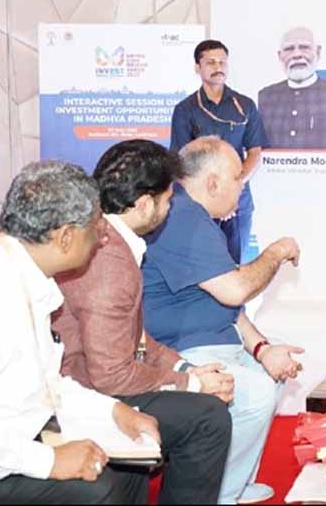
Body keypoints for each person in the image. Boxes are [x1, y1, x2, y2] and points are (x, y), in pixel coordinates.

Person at [0, 161, 161, 504]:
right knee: (99, 491)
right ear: (66, 237)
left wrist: (114, 411)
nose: (103, 236)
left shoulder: (19, 268)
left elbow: (46, 385)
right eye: (96, 226)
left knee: (129, 468)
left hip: (21, 430)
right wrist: (50, 462)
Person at [53, 140, 233, 504]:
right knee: (208, 419)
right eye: (168, 200)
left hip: (90, 379)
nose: (169, 209)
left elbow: (134, 338)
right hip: (79, 391)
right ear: (146, 204)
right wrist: (191, 385)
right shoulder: (109, 260)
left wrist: (184, 368)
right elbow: (110, 376)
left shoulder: (111, 242)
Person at [141, 136, 305, 505]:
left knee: (273, 373)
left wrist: (262, 349)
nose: (241, 189)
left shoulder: (195, 217)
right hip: (180, 350)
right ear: (212, 183)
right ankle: (217, 495)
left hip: (215, 339)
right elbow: (236, 289)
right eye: (237, 180)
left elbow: (228, 302)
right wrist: (277, 252)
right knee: (256, 392)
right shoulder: (182, 217)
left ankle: (235, 483)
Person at [170, 39, 268, 264]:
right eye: (211, 62)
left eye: (222, 62)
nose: (218, 67)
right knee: (201, 264)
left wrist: (233, 189)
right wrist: (212, 197)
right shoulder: (185, 109)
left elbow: (255, 152)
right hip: (200, 204)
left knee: (236, 266)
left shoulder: (245, 105)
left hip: (239, 202)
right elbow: (180, 161)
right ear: (198, 68)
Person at [257, 26, 326, 150]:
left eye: (304, 47)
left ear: (318, 52)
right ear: (280, 56)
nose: (296, 55)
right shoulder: (263, 97)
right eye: (289, 49)